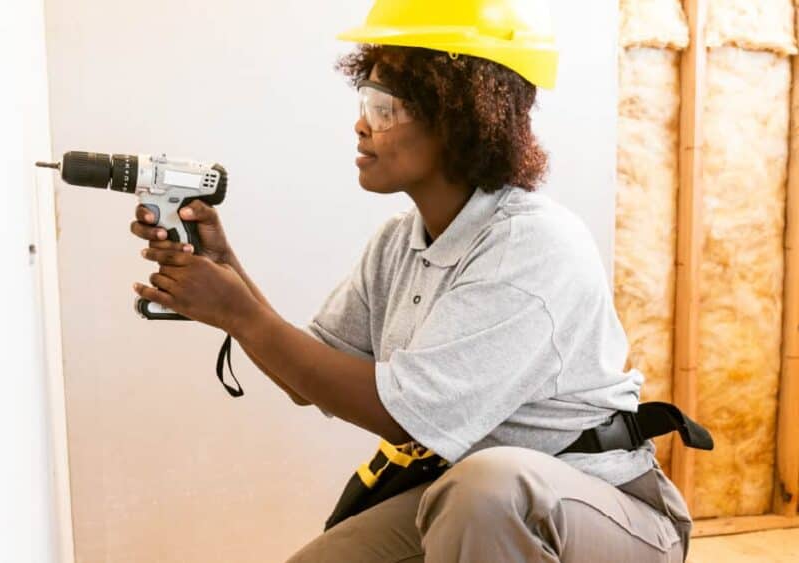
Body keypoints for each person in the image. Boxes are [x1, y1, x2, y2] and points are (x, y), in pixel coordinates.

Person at [129, 1, 694, 561]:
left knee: (488, 489)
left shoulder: (530, 246)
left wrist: (238, 313)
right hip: (468, 501)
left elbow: (401, 415)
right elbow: (306, 379)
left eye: (384, 107)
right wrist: (230, 275)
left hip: (607, 505)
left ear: (461, 117)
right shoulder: (400, 242)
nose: (359, 124)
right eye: (363, 101)